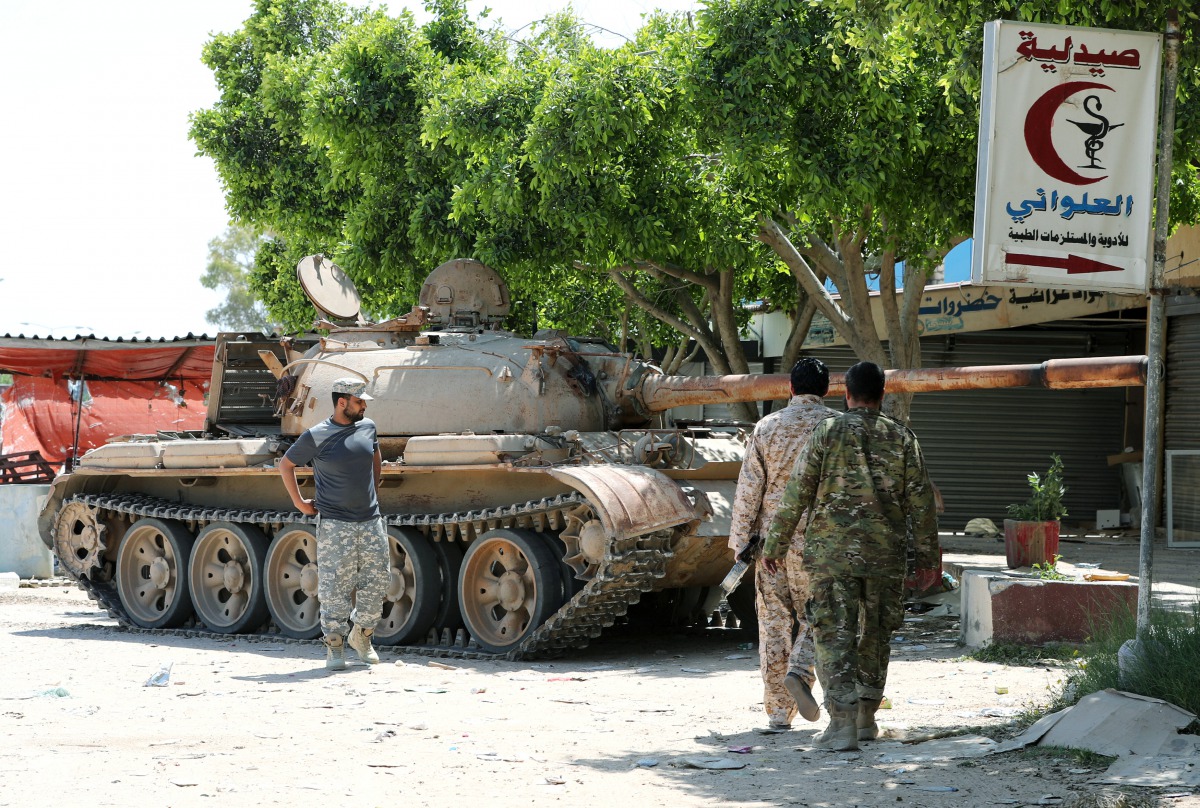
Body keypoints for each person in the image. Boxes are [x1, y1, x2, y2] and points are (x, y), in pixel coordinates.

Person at [763, 361, 940, 751]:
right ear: (882, 395)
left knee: (833, 634)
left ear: (846, 395)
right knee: (875, 635)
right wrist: (929, 559)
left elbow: (797, 491)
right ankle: (866, 719)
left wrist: (775, 545)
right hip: (884, 557)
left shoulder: (827, 432)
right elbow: (922, 503)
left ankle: (841, 723)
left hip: (832, 556)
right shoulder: (902, 437)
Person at [728, 358, 837, 729]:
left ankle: (778, 712)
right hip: (820, 544)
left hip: (770, 546)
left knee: (773, 623)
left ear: (790, 388)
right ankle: (800, 674)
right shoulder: (836, 427)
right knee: (818, 616)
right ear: (826, 390)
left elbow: (749, 487)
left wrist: (740, 542)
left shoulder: (767, 426)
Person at [278, 377, 389, 671]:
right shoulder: (317, 435)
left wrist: (374, 489)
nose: (364, 406)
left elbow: (375, 454)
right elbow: (286, 465)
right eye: (359, 401)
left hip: (370, 520)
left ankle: (362, 635)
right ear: (342, 402)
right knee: (335, 587)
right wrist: (299, 503)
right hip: (335, 524)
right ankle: (335, 645)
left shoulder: (368, 427)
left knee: (378, 582)